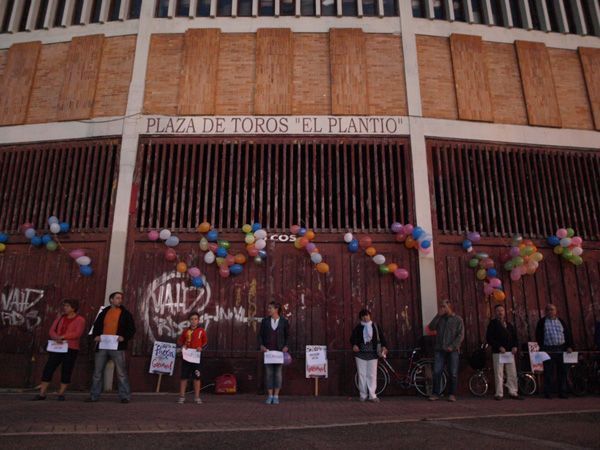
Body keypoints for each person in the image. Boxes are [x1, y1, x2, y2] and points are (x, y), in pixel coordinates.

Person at [86, 291, 136, 403]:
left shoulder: (125, 313)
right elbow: (96, 325)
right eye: (117, 298)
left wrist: (124, 337)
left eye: (121, 298)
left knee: (121, 372)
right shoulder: (104, 312)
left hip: (117, 346)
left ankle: (124, 396)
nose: (120, 300)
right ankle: (94, 396)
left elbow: (132, 329)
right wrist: (96, 336)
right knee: (97, 372)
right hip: (103, 345)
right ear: (111, 300)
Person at [33, 299, 86, 401]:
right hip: (57, 347)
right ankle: (42, 393)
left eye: (67, 306)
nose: (65, 308)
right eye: (64, 306)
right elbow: (52, 330)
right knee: (49, 368)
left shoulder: (80, 320)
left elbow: (77, 333)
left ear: (73, 308)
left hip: (71, 348)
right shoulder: (60, 318)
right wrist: (56, 337)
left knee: (66, 370)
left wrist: (63, 337)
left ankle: (61, 393)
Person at [428, 299, 464, 402]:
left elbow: (460, 335)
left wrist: (453, 346)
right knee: (437, 371)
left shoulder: (457, 319)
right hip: (439, 349)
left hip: (452, 350)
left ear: (449, 306)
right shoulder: (440, 319)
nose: (442, 308)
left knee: (453, 372)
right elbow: (431, 327)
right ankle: (435, 393)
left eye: (444, 306)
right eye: (441, 306)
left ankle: (452, 394)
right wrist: (438, 315)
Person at [535, 303, 573, 399]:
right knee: (548, 371)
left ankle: (562, 392)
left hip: (561, 348)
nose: (550, 311)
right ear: (545, 312)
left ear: (556, 311)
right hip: (548, 349)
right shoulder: (542, 322)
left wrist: (569, 346)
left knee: (563, 371)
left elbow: (567, 334)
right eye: (548, 310)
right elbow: (538, 335)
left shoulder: (561, 321)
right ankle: (548, 392)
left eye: (552, 309)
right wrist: (542, 347)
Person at [485, 304, 523, 400]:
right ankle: (499, 393)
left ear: (504, 312)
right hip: (499, 352)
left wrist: (515, 346)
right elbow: (489, 338)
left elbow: (515, 337)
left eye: (502, 310)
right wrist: (499, 347)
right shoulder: (492, 324)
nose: (500, 312)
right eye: (498, 311)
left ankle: (513, 392)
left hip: (509, 352)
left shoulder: (509, 324)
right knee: (499, 373)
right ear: (495, 313)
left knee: (512, 372)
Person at [350, 309, 388, 402]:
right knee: (362, 374)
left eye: (366, 315)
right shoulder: (358, 327)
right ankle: (363, 395)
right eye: (363, 316)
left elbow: (382, 337)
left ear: (370, 316)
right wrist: (354, 345)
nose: (365, 317)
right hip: (360, 354)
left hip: (373, 354)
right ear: (360, 318)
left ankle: (372, 395)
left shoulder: (375, 326)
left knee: (372, 375)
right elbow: (352, 338)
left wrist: (384, 346)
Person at [258, 301, 289, 404]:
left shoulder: (284, 321)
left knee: (278, 374)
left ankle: (276, 396)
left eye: (270, 308)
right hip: (268, 351)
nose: (268, 310)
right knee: (269, 374)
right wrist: (261, 345)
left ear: (276, 309)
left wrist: (286, 346)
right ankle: (270, 395)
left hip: (279, 352)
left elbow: (287, 336)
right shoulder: (265, 321)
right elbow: (260, 335)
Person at [176, 311, 207, 404]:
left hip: (196, 357)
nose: (193, 321)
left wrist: (201, 348)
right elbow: (180, 341)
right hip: (186, 357)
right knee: (184, 376)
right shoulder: (186, 331)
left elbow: (205, 342)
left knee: (197, 377)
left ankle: (197, 397)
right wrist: (183, 346)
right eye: (192, 319)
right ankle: (182, 396)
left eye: (195, 319)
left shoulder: (202, 331)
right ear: (189, 320)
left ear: (198, 320)